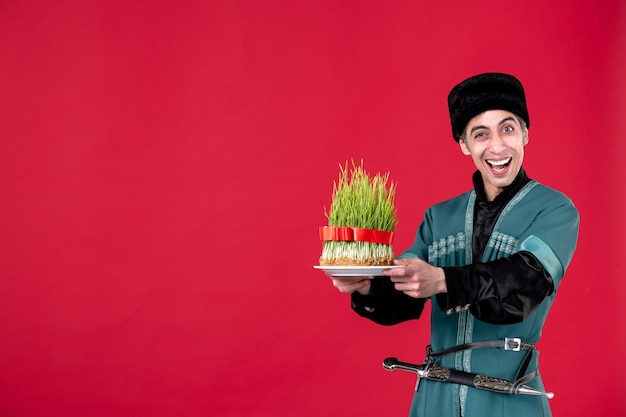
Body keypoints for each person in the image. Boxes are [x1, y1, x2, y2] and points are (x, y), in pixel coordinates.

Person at [327, 72, 579, 417]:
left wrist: (443, 280)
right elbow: (402, 300)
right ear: (463, 144)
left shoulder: (555, 210)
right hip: (435, 398)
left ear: (525, 134)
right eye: (480, 134)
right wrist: (367, 285)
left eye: (507, 129)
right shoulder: (438, 218)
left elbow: (526, 280)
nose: (497, 146)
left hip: (509, 397)